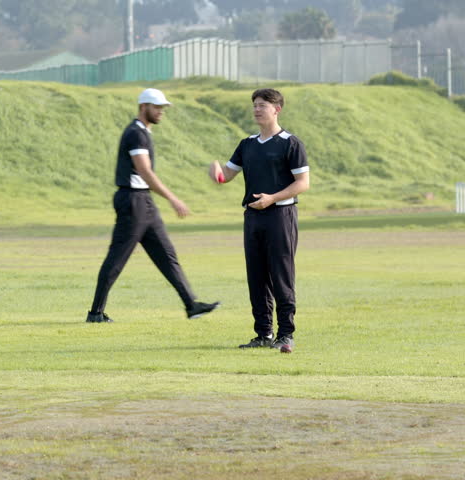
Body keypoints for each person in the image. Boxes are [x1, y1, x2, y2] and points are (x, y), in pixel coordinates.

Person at [87, 88, 220, 324]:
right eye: (156, 107)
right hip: (133, 201)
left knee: (167, 256)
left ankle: (191, 305)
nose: (160, 112)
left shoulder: (143, 133)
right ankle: (95, 313)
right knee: (117, 258)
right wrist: (172, 198)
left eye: (162, 108)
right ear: (143, 107)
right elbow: (144, 170)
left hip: (143, 202)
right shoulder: (136, 134)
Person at [208, 88, 310, 351]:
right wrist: (216, 172)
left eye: (262, 105)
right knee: (256, 276)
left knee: (281, 275)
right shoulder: (247, 144)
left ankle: (286, 334)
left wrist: (272, 198)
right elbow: (226, 176)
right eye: (254, 104)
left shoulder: (290, 143)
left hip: (280, 216)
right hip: (253, 217)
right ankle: (263, 333)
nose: (256, 109)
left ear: (276, 109)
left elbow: (303, 183)